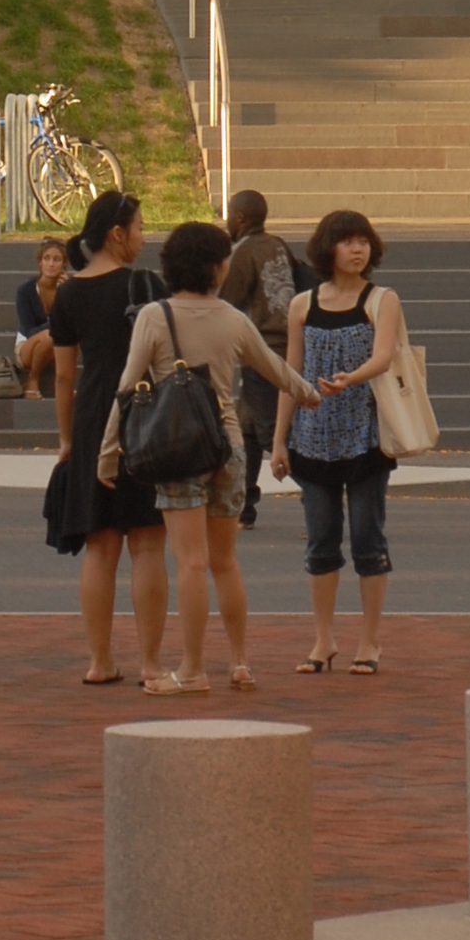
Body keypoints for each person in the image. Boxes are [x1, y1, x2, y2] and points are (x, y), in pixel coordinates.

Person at [98, 218, 317, 696]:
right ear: (218, 268)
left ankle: (193, 668)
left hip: (177, 449)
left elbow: (127, 388)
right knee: (225, 562)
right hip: (229, 447)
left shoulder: (156, 317)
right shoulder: (234, 319)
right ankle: (239, 661)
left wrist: (109, 452)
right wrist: (308, 393)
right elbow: (274, 368)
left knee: (191, 563)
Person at [48, 190, 173, 688]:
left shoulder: (69, 293)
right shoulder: (146, 286)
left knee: (100, 547)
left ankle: (99, 662)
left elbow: (63, 377)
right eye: (139, 227)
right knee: (147, 543)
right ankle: (150, 663)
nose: (144, 237)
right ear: (117, 233)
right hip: (146, 415)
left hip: (93, 417)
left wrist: (66, 439)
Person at [273, 211, 403, 673]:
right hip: (311, 439)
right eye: (347, 241)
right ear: (327, 248)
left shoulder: (381, 299)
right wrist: (279, 441)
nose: (357, 249)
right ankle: (323, 640)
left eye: (363, 241)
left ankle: (369, 642)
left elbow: (384, 357)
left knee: (369, 540)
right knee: (321, 543)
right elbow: (292, 373)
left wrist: (349, 380)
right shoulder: (302, 305)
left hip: (366, 437)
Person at [218, 189, 311, 529]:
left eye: (229, 214)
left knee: (274, 432)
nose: (227, 219)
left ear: (240, 218)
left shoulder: (241, 252)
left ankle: (320, 497)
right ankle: (243, 508)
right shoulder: (278, 244)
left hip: (262, 349)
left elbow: (225, 303)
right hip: (290, 343)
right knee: (246, 428)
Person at [13, 237, 72, 398]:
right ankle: (32, 380)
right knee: (49, 336)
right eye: (47, 259)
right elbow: (29, 330)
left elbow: (74, 324)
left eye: (57, 259)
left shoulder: (68, 289)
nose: (51, 264)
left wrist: (65, 295)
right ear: (40, 262)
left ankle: (63, 383)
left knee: (65, 338)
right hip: (27, 346)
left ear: (63, 265)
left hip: (58, 346)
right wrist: (54, 325)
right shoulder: (25, 291)